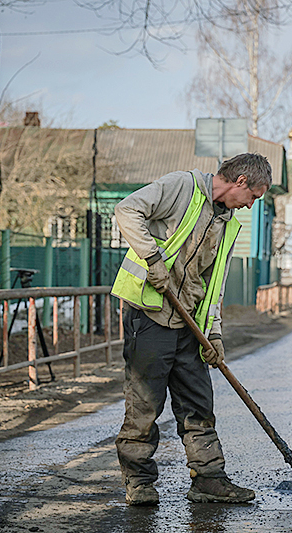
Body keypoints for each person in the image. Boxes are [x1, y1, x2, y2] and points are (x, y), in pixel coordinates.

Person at [111, 152, 272, 506]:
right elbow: (126, 210)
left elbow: (215, 285)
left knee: (198, 403)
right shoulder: (182, 187)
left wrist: (214, 333)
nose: (250, 205)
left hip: (189, 323)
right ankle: (139, 481)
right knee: (145, 404)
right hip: (149, 313)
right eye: (253, 196)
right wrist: (152, 258)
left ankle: (208, 480)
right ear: (240, 182)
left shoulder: (227, 223)